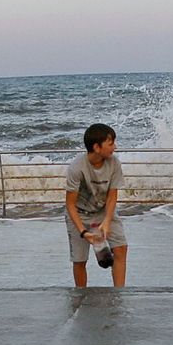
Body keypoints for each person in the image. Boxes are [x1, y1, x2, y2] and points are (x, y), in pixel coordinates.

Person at [64, 123, 128, 287]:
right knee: (79, 260)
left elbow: (112, 196)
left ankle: (118, 292)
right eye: (111, 143)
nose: (115, 146)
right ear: (97, 147)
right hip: (79, 214)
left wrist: (106, 222)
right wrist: (84, 232)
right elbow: (70, 204)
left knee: (121, 248)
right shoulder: (76, 167)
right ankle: (80, 295)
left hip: (103, 211)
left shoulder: (114, 163)